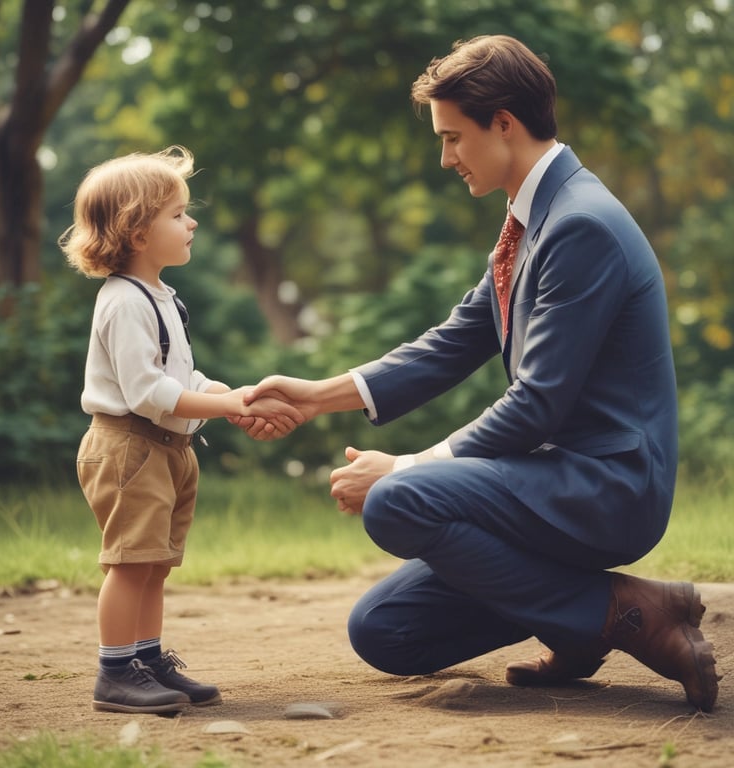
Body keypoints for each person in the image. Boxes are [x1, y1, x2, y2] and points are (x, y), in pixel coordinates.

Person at [244, 35, 720, 711]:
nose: (446, 158)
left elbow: (537, 403)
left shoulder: (580, 225)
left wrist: (404, 468)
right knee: (385, 630)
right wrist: (317, 397)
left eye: (453, 138)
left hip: (609, 487)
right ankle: (583, 620)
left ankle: (631, 617)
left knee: (396, 501)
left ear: (503, 123)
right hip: (552, 480)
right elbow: (453, 341)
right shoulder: (535, 218)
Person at [59, 146, 303, 714]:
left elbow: (179, 376)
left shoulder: (161, 297)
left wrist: (231, 398)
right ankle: (115, 672)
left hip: (167, 448)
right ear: (137, 232)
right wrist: (223, 406)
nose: (191, 223)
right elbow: (146, 393)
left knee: (154, 564)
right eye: (177, 214)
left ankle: (147, 661)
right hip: (129, 448)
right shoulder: (124, 301)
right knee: (130, 564)